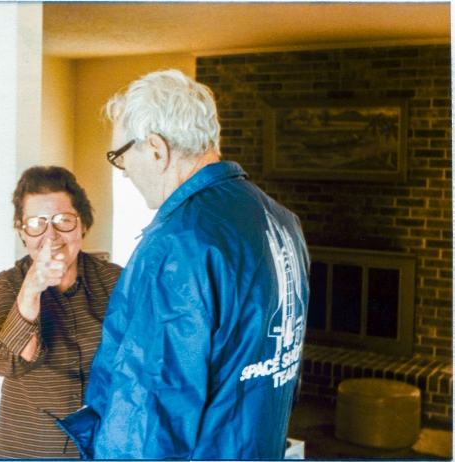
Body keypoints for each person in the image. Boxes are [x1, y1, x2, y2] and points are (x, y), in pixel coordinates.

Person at [57, 70, 310, 459]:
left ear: (156, 149)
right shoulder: (279, 221)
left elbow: (148, 416)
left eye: (121, 158)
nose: (122, 173)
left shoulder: (177, 246)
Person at [0, 166, 122, 458]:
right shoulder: (5, 284)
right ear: (22, 231)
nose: (51, 235)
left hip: (101, 449)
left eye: (63, 221)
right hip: (28, 449)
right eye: (36, 223)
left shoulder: (116, 281)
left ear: (82, 225)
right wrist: (31, 289)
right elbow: (1, 362)